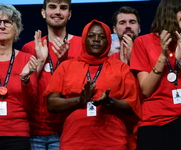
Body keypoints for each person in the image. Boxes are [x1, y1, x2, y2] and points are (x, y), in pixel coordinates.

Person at [44, 19, 141, 150]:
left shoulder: (121, 68)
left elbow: (131, 106)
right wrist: (79, 100)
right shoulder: (66, 66)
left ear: (108, 41)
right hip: (74, 142)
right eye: (91, 36)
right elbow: (51, 104)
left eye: (102, 37)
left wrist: (109, 101)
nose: (96, 40)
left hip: (113, 142)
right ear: (84, 39)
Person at [21, 0, 82, 149]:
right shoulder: (29, 48)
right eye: (52, 7)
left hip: (68, 129)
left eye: (63, 8)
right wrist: (40, 62)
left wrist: (64, 61)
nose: (58, 12)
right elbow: (25, 89)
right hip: (36, 130)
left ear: (70, 14)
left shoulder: (82, 45)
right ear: (43, 13)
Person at [0, 3, 38, 150]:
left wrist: (25, 79)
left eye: (7, 22)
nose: (2, 26)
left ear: (17, 28)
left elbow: (31, 105)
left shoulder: (27, 59)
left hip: (17, 135)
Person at [130, 0, 181, 149]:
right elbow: (146, 89)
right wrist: (163, 56)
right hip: (155, 122)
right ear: (169, 14)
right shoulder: (143, 42)